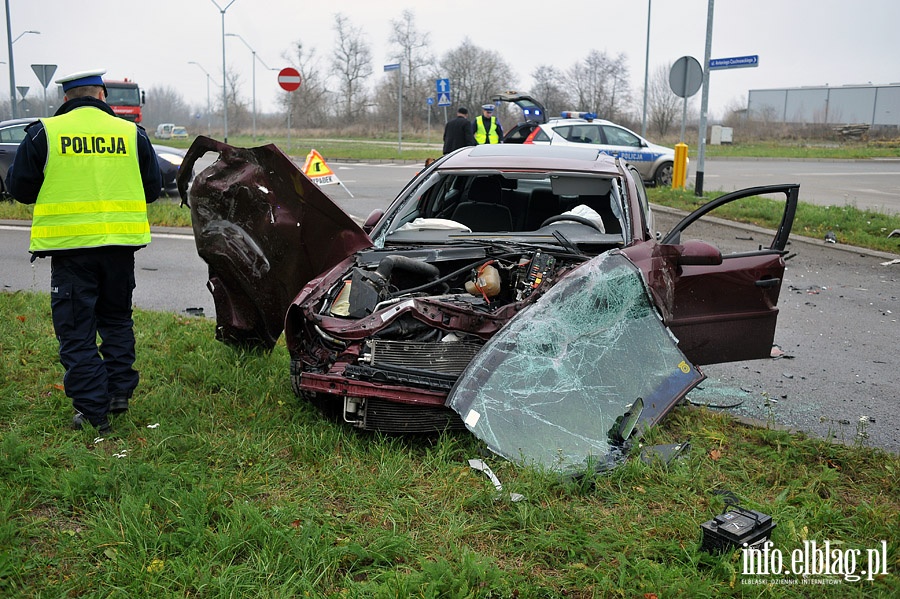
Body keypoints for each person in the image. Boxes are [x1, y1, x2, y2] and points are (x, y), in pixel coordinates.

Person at [5, 68, 162, 434]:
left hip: (71, 251)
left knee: (77, 331)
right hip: (120, 248)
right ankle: (118, 394)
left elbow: (21, 189)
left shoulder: (46, 132)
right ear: (103, 96)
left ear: (65, 99)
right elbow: (152, 189)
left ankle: (93, 412)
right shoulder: (131, 133)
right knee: (117, 321)